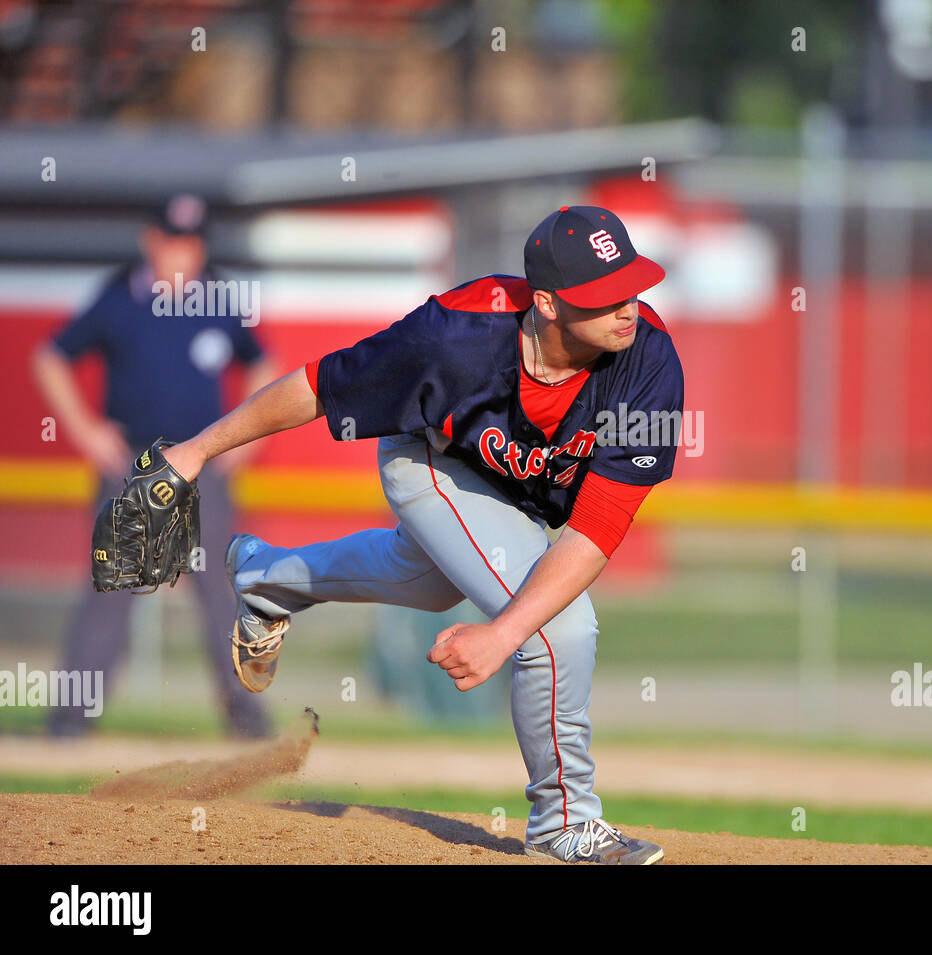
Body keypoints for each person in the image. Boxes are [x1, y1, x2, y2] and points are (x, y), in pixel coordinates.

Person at [160, 206, 683, 865]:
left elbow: (598, 529)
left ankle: (266, 579)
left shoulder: (651, 363)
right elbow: (319, 387)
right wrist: (198, 451)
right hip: (432, 459)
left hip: (515, 490)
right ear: (547, 303)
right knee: (559, 630)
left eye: (631, 285)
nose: (626, 306)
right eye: (602, 295)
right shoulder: (455, 335)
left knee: (428, 583)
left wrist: (499, 630)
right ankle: (562, 822)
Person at [32, 194, 276, 738]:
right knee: (110, 591)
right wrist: (84, 429)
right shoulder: (119, 297)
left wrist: (244, 443)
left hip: (202, 466)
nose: (182, 253)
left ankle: (249, 723)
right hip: (134, 468)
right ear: (152, 240)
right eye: (172, 240)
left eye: (192, 242)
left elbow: (265, 363)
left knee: (220, 591)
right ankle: (70, 724)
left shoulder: (219, 298)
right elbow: (51, 357)